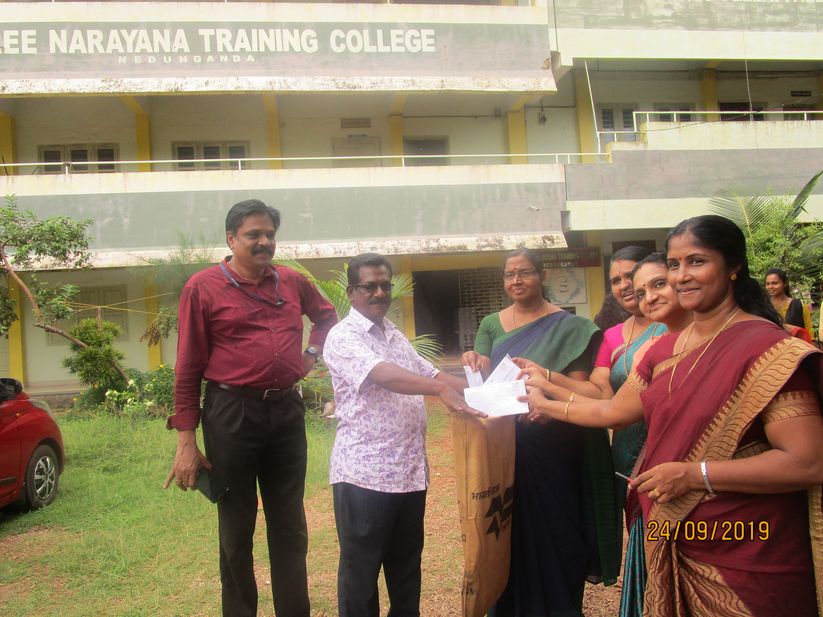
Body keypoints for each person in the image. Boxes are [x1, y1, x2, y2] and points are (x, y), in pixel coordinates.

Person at [522, 215, 823, 616]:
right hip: (675, 535)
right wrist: (544, 402)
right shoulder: (663, 351)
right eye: (675, 264)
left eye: (696, 261)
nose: (682, 276)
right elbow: (614, 411)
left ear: (733, 266)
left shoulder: (769, 351)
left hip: (751, 545)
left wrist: (695, 475)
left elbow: (807, 462)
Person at [164, 199, 338, 617]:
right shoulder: (202, 287)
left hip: (286, 412)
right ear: (231, 239)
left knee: (290, 524)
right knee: (236, 526)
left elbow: (327, 317)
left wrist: (311, 353)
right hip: (231, 414)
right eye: (253, 235)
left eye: (269, 235)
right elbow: (187, 367)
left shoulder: (292, 282)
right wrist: (186, 442)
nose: (264, 242)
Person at [516, 252, 692, 617]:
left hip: (686, 463)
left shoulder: (684, 335)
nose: (634, 290)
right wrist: (545, 380)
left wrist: (548, 397)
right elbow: (606, 402)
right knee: (653, 557)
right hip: (633, 464)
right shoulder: (614, 336)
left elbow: (614, 412)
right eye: (621, 282)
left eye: (655, 283)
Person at [322, 253, 484, 617]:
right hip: (365, 477)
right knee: (361, 576)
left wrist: (489, 389)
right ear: (352, 292)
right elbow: (383, 375)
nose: (380, 292)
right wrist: (438, 391)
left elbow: (433, 374)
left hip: (408, 474)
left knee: (406, 570)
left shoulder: (393, 334)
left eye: (385, 285)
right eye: (370, 286)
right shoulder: (343, 337)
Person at [461, 248, 620, 616]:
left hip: (554, 443)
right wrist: (473, 362)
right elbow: (484, 374)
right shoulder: (491, 324)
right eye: (509, 274)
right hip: (505, 445)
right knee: (506, 532)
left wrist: (547, 404)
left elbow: (580, 387)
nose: (517, 281)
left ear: (542, 275)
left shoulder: (572, 328)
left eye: (525, 272)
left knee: (558, 530)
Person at [765, 267, 813, 339]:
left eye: (775, 283)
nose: (770, 286)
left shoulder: (799, 305)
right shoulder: (763, 307)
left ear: (785, 284)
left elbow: (809, 334)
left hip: (797, 345)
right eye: (767, 284)